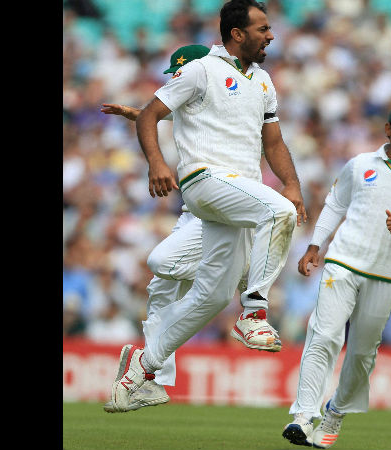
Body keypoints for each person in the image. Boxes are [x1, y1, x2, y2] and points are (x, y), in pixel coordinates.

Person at [109, 0, 307, 413]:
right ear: (237, 34)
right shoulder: (201, 69)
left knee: (212, 297)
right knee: (279, 214)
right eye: (263, 28)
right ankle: (254, 312)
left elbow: (273, 141)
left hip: (238, 195)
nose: (271, 35)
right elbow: (150, 115)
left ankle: (142, 369)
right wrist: (158, 163)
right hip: (205, 181)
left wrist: (291, 184)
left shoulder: (263, 80)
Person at [282, 101, 391, 448]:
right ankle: (303, 415)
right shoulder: (359, 165)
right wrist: (315, 245)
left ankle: (335, 413)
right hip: (342, 262)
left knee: (361, 354)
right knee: (324, 334)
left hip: (387, 276)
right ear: (389, 129)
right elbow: (335, 205)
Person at [100, 44, 210, 413]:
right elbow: (192, 117)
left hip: (221, 208)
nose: (177, 82)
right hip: (194, 209)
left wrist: (151, 119)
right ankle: (155, 381)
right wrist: (143, 115)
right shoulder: (199, 106)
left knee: (162, 263)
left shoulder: (230, 96)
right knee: (161, 287)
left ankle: (235, 271)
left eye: (182, 73)